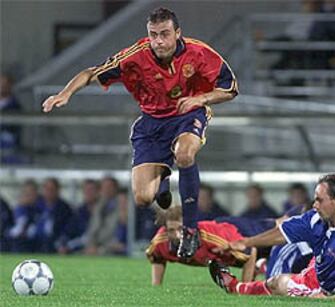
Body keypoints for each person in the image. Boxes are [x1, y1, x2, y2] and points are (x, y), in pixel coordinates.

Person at [42, 7, 238, 259]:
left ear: (178, 33)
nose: (159, 41)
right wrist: (65, 93)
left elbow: (230, 87)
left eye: (165, 34)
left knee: (185, 154)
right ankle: (162, 180)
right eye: (153, 34)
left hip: (187, 114)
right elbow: (91, 73)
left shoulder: (199, 52)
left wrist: (201, 98)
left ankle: (190, 230)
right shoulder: (134, 57)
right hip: (151, 124)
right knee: (143, 198)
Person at [209, 174, 335, 299]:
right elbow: (282, 233)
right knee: (304, 256)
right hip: (319, 265)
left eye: (319, 199)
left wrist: (327, 300)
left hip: (327, 287)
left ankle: (235, 287)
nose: (314, 204)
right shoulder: (320, 216)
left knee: (278, 283)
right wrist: (245, 242)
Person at [146, 206, 260, 286]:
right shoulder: (160, 241)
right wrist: (156, 286)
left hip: (243, 230)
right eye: (171, 230)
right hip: (226, 242)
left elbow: (251, 252)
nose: (177, 235)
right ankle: (260, 266)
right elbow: (157, 257)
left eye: (181, 228)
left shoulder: (211, 238)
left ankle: (261, 264)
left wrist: (245, 287)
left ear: (189, 225)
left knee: (274, 231)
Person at [57, 179, 100, 254]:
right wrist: (63, 243)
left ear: (98, 192)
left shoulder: (104, 210)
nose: (88, 193)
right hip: (78, 247)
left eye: (91, 190)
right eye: (86, 190)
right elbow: (69, 230)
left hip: (97, 246)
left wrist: (69, 246)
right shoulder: (80, 211)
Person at [35, 177, 73, 253]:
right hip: (36, 238)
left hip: (54, 239)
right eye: (47, 189)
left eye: (52, 189)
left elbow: (67, 228)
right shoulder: (36, 205)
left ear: (57, 191)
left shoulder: (64, 208)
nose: (49, 192)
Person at [84, 176, 119, 255]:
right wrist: (91, 245)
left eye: (109, 187)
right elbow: (93, 228)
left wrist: (99, 249)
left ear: (115, 188)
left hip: (112, 246)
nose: (106, 189)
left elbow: (114, 231)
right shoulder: (99, 205)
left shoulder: (122, 204)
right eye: (104, 187)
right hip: (96, 246)